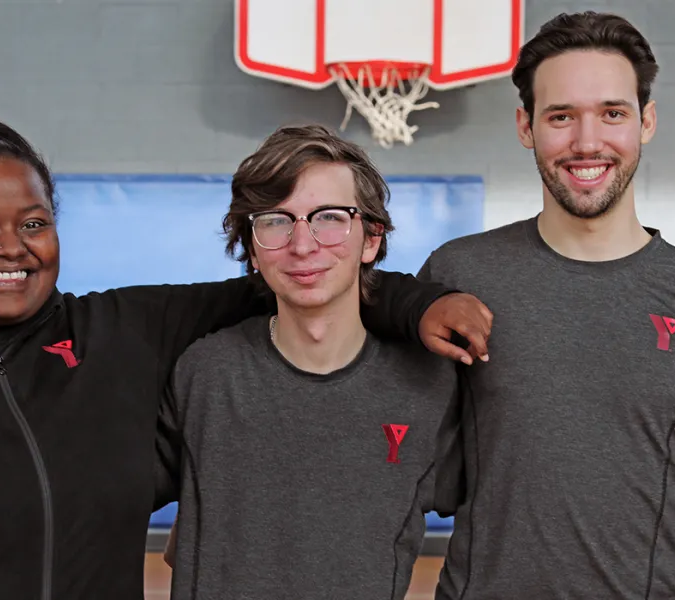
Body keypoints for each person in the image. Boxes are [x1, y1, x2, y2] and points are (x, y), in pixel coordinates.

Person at [0, 99, 495, 600]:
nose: (11, 247)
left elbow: (300, 281)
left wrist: (416, 301)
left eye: (32, 222)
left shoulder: (122, 336)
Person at [419, 11, 675, 599]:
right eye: (561, 116)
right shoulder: (459, 276)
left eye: (612, 113)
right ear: (525, 125)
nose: (587, 142)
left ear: (646, 121)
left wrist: (661, 499)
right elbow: (423, 467)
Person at [153, 124, 466, 599]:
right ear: (253, 248)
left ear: (371, 239)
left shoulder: (428, 386)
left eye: (330, 217)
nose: (303, 245)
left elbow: (500, 518)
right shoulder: (203, 373)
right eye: (276, 221)